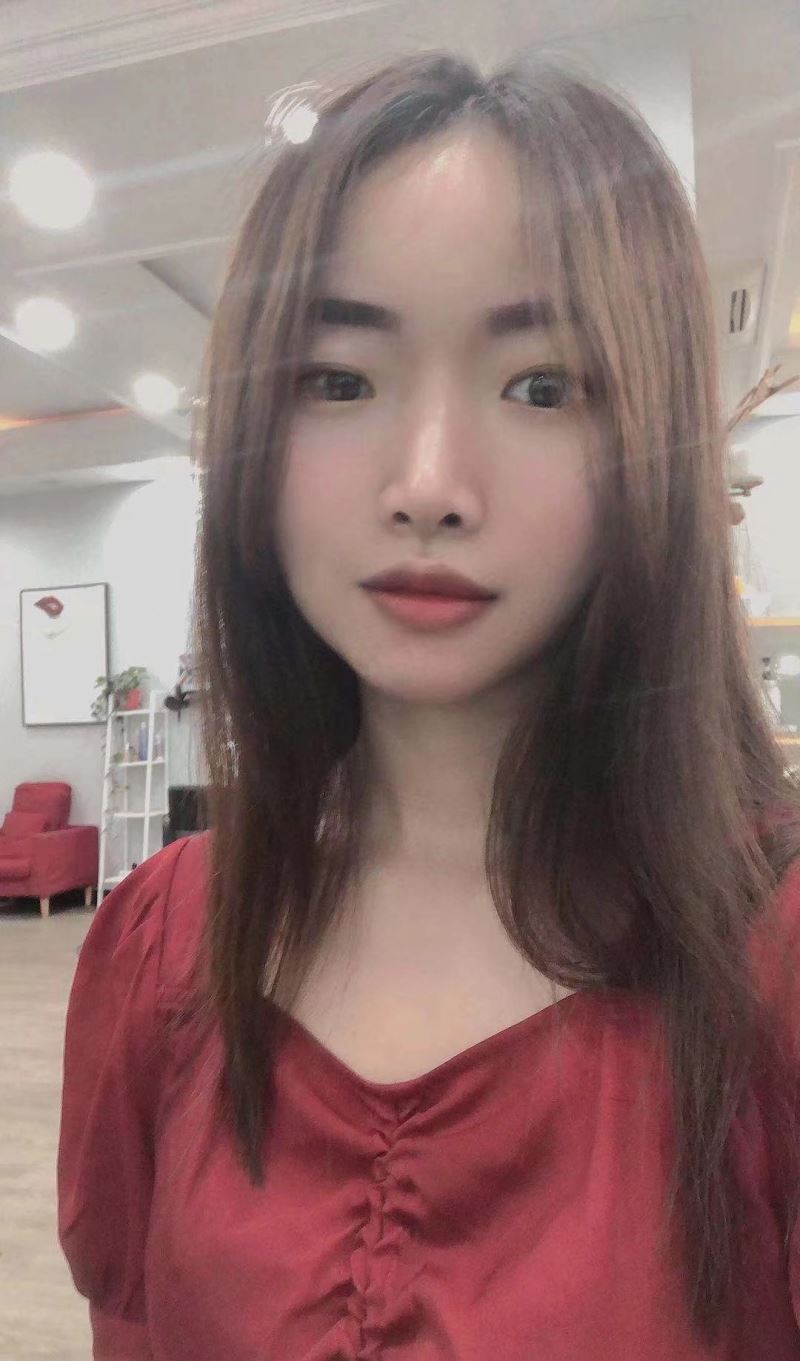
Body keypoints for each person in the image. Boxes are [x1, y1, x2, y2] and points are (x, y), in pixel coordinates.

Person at [57, 51, 800, 1360]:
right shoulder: (167, 944)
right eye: (341, 380)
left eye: (542, 386)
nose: (429, 485)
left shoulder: (771, 960)